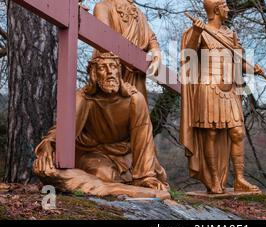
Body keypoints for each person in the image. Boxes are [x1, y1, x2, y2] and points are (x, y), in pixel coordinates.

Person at [34, 52, 168, 191]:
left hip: (125, 152)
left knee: (159, 176)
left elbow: (143, 137)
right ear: (94, 74)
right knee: (102, 176)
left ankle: (138, 180)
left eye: (113, 66)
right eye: (103, 68)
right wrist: (49, 143)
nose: (110, 72)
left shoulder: (134, 99)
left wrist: (144, 177)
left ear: (119, 71)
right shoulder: (84, 99)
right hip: (94, 152)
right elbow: (65, 129)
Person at [180, 0, 263, 194]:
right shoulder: (200, 31)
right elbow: (188, 55)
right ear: (216, 9)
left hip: (230, 90)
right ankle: (215, 180)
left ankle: (240, 179)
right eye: (225, 6)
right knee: (210, 134)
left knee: (237, 132)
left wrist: (254, 69)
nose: (228, 9)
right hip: (208, 87)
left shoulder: (231, 34)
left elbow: (239, 63)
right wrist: (196, 33)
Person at [92, 0, 161, 102]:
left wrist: (156, 52)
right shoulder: (102, 7)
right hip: (112, 70)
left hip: (136, 74)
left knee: (139, 112)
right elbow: (106, 37)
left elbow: (151, 38)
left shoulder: (139, 14)